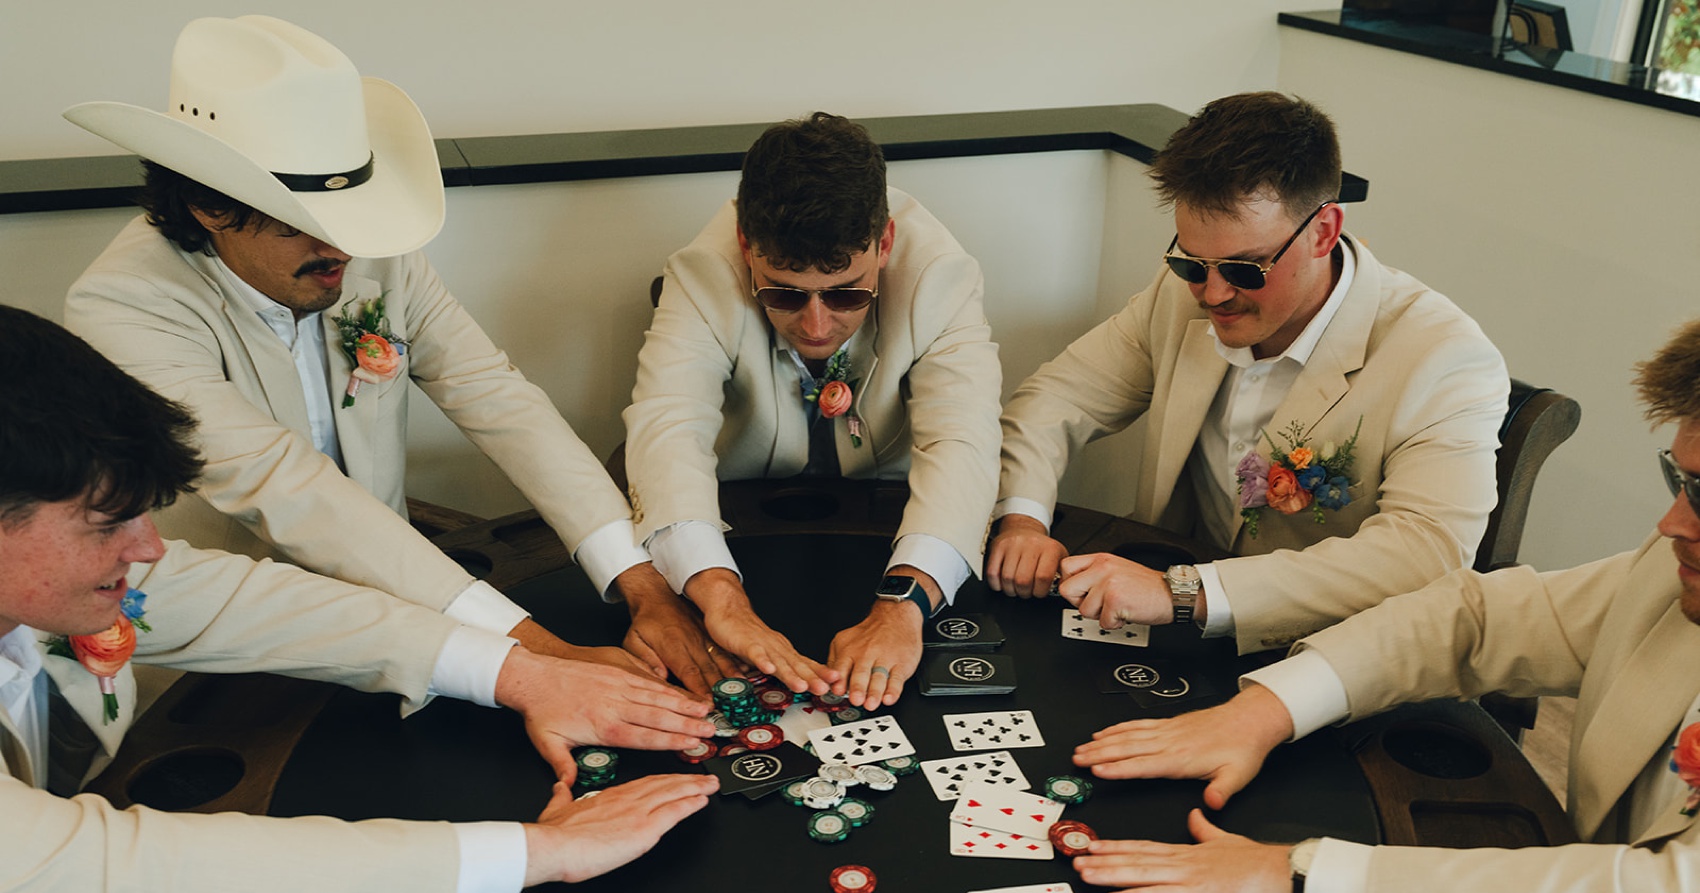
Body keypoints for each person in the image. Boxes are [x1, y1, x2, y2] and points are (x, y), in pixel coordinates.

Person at [0, 304, 719, 893]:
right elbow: (113, 874)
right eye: (108, 521)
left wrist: (522, 674)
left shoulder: (75, 577)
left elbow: (248, 602)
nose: (149, 546)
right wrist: (540, 852)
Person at [1066, 319, 1700, 893]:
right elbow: (1477, 619)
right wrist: (1268, 707)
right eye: (1678, 480)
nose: (1671, 526)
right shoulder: (1672, 562)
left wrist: (1298, 878)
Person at [60, 15, 729, 695]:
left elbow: (494, 394)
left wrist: (642, 583)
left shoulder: (367, 243)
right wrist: (532, 651)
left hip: (415, 601)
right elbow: (284, 484)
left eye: (348, 217)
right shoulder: (123, 306)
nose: (343, 250)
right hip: (235, 644)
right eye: (303, 223)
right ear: (207, 205)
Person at [988, 91, 1509, 654]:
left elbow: (1425, 550)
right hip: (1170, 627)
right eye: (1192, 262)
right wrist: (1022, 519)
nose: (1213, 294)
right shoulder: (1177, 295)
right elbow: (1056, 398)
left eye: (1244, 268)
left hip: (1329, 653)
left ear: (1324, 231)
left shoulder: (1444, 357)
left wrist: (1185, 593)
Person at [622, 112, 1004, 709]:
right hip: (744, 521)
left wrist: (903, 608)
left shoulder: (941, 276)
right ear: (747, 248)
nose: (817, 326)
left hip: (893, 520)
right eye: (783, 294)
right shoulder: (703, 271)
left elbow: (962, 441)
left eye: (848, 293)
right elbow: (668, 426)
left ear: (884, 245)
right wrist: (721, 598)